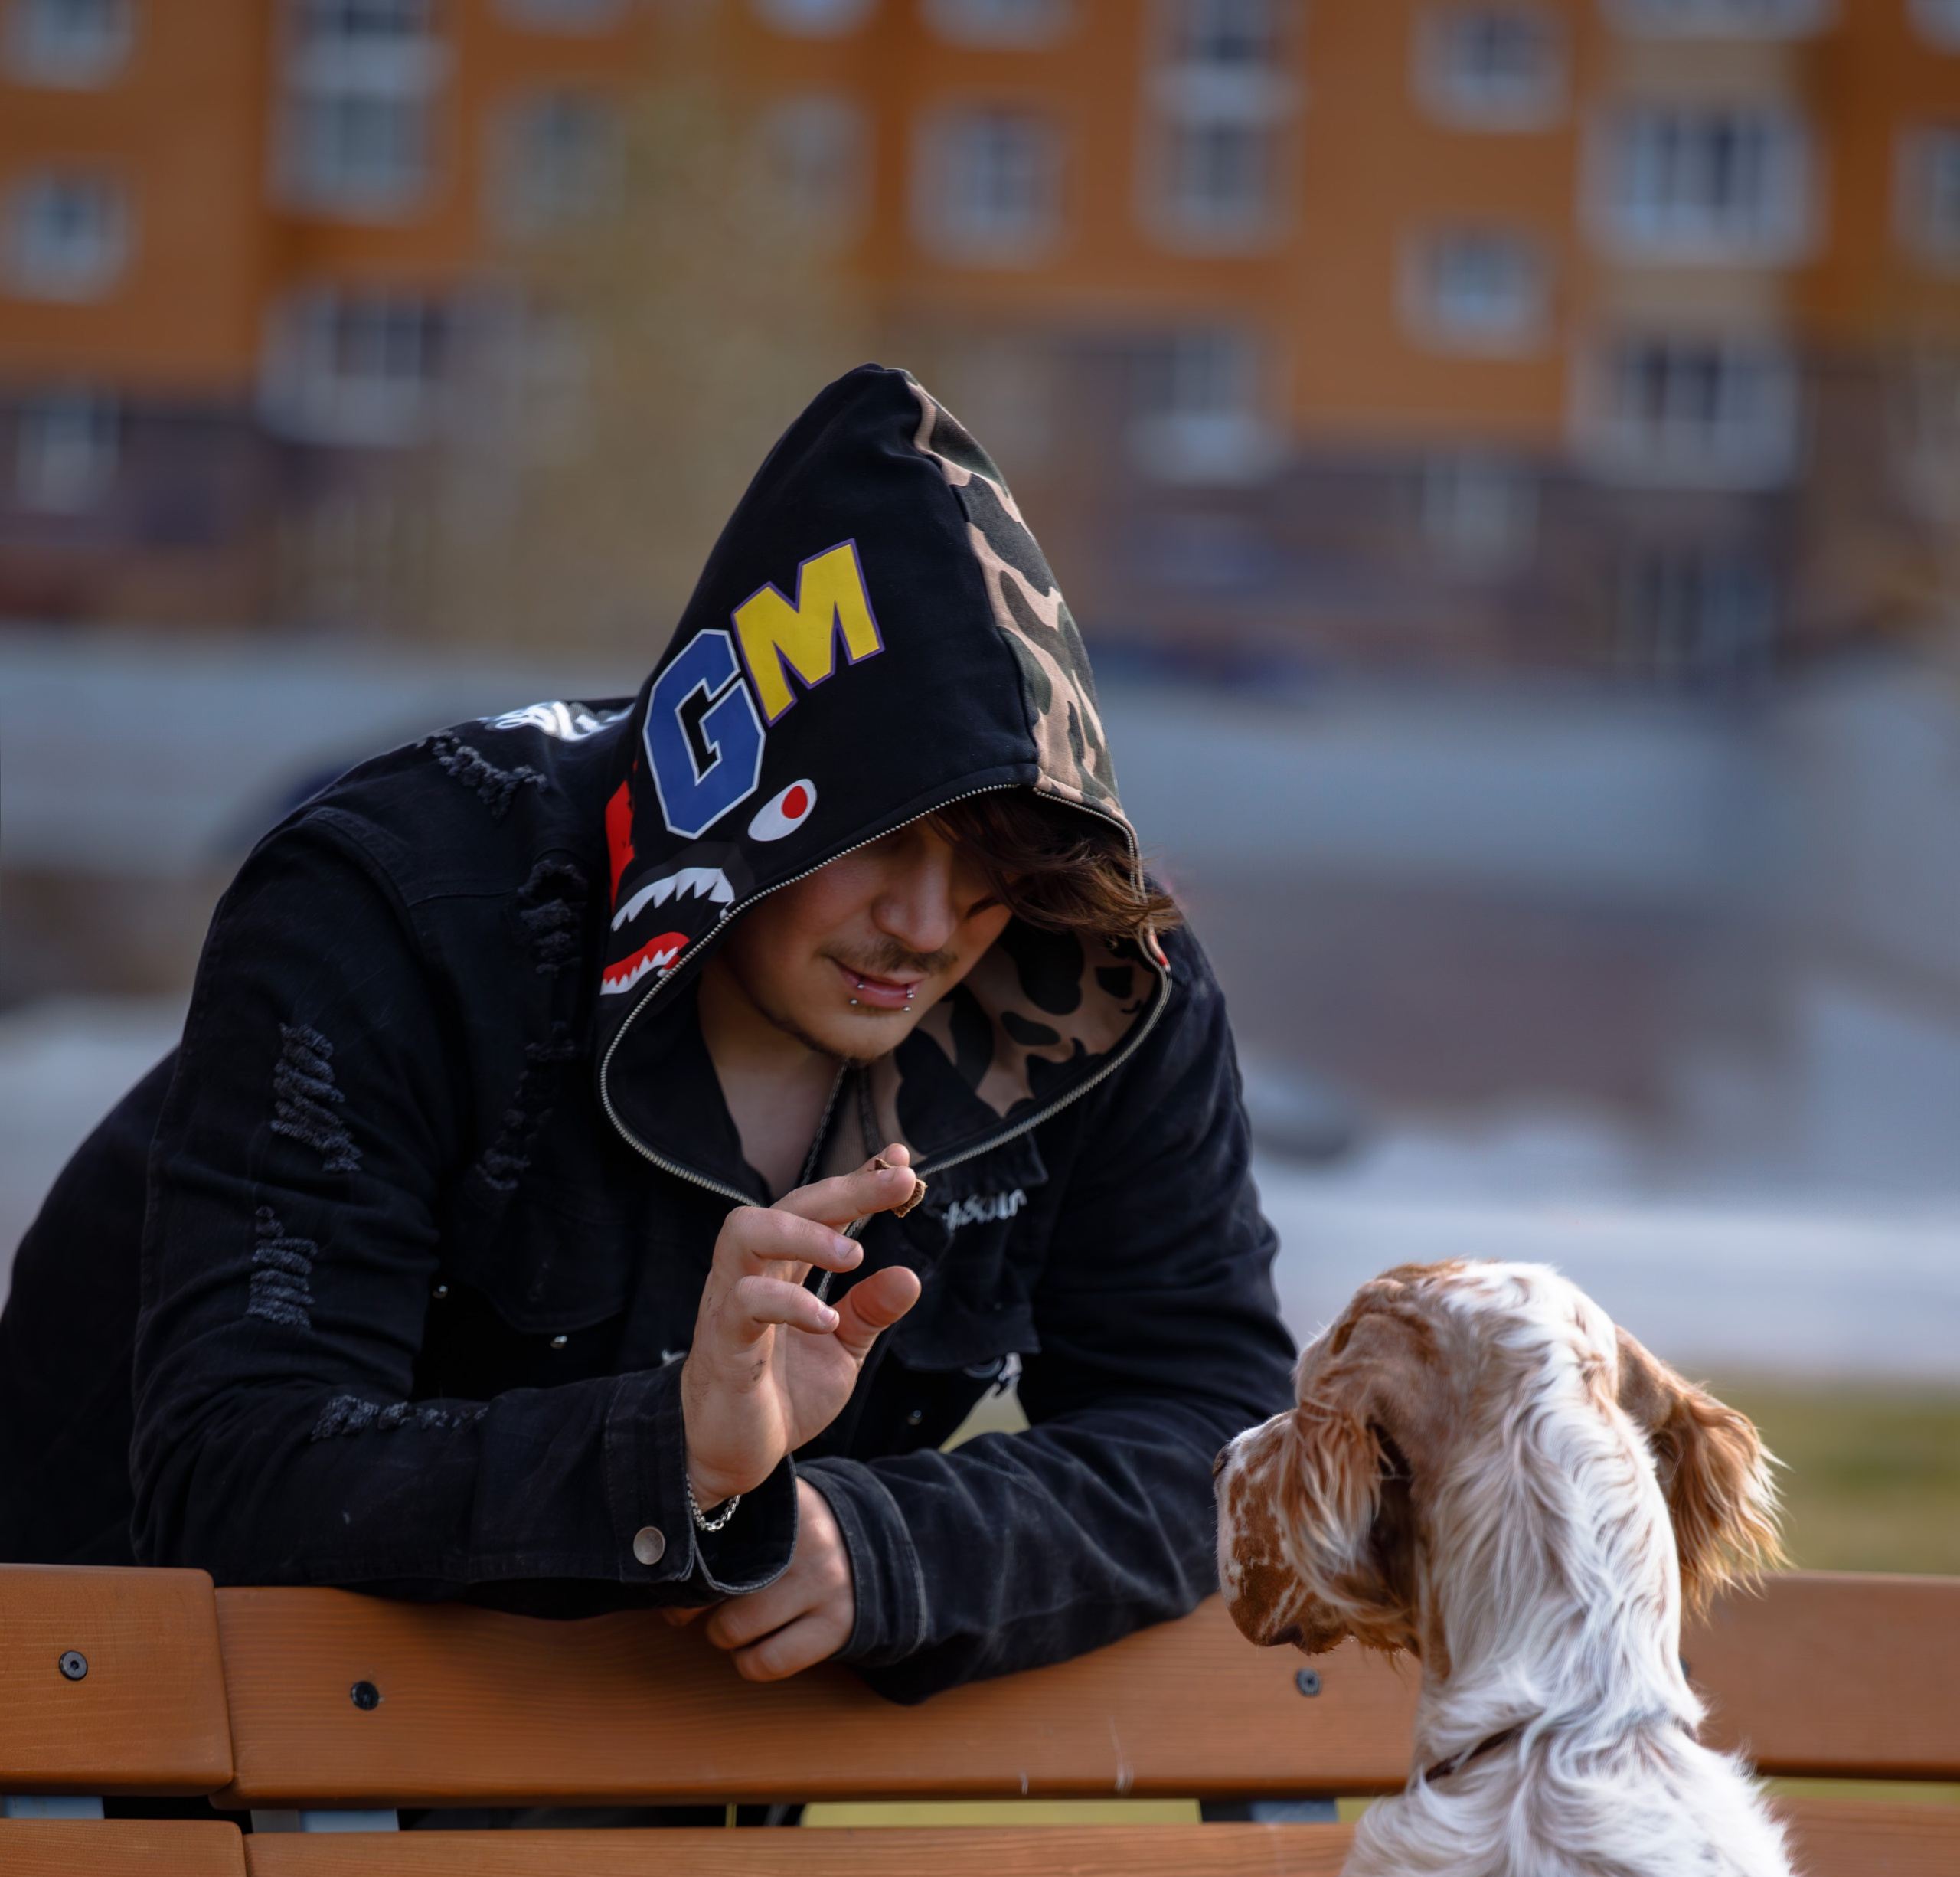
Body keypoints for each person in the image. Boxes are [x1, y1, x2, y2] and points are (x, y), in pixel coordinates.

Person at [0, 366, 1293, 1700]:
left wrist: (889, 1546)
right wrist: (671, 1461)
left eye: (995, 861)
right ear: (727, 785)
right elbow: (238, 1465)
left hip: (666, 1834)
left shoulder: (1103, 985)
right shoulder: (398, 908)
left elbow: (1220, 1428)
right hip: (146, 1791)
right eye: (882, 836)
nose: (928, 922)